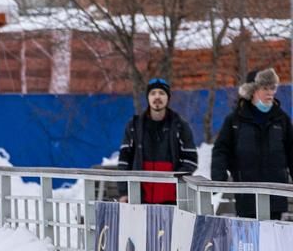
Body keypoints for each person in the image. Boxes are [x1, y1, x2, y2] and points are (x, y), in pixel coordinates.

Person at [211, 65, 293, 220]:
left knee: (272, 241)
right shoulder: (235, 120)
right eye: (265, 88)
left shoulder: (281, 119)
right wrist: (218, 178)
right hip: (247, 197)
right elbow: (221, 150)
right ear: (252, 91)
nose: (270, 93)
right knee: (249, 242)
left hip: (275, 196)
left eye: (272, 88)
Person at [115, 76, 197, 205]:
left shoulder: (180, 126)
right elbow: (124, 160)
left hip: (172, 200)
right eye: (153, 93)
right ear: (148, 97)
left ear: (168, 98)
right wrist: (124, 192)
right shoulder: (134, 126)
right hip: (139, 198)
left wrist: (176, 183)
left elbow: (190, 160)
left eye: (162, 93)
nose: (157, 97)